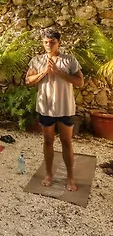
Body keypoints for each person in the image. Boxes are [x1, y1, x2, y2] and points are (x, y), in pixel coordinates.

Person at [26, 28, 84, 192]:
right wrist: (44, 72)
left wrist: (58, 72)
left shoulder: (69, 60)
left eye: (52, 42)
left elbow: (80, 82)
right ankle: (49, 174)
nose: (48, 45)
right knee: (48, 141)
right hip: (46, 108)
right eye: (46, 42)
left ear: (59, 43)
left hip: (65, 108)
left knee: (66, 142)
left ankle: (70, 177)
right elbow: (28, 81)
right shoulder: (37, 61)